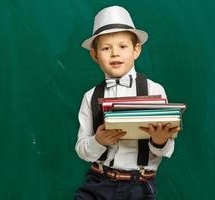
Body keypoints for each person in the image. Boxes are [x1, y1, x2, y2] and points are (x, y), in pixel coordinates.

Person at [74, 6, 180, 200]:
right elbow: (82, 150)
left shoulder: (154, 91)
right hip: (98, 182)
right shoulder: (90, 96)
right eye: (106, 48)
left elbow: (165, 149)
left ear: (136, 50)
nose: (115, 53)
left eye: (122, 46)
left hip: (139, 186)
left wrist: (159, 140)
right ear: (94, 55)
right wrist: (98, 141)